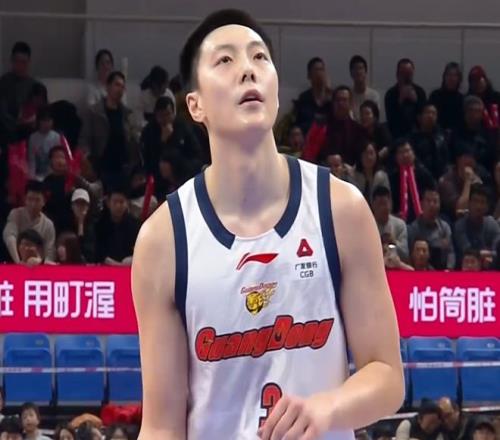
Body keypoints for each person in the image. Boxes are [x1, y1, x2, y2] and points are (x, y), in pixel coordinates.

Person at [132, 9, 404, 440]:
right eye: (225, 60)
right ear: (195, 105)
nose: (248, 70)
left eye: (259, 57)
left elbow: (387, 375)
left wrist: (328, 407)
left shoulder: (341, 209)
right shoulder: (163, 239)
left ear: (276, 92)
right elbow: (162, 426)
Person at [79, 71, 141, 191]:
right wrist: (86, 159)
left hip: (122, 167)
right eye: (117, 85)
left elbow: (133, 140)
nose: (120, 89)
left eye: (123, 87)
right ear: (107, 87)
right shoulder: (94, 112)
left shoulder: (127, 114)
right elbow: (84, 138)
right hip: (101, 166)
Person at [140, 96, 202, 181]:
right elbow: (149, 159)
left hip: (183, 169)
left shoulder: (182, 126)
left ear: (173, 113)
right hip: (159, 174)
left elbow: (196, 153)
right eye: (161, 116)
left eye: (167, 114)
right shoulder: (149, 131)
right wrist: (162, 141)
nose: (165, 119)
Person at [3, 180, 56, 263]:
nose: (33, 204)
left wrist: (39, 263)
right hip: (15, 262)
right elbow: (10, 237)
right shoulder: (16, 214)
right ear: (25, 199)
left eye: (37, 200)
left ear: (44, 202)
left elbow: (49, 253)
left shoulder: (48, 225)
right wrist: (18, 262)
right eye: (30, 199)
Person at [438, 142, 491, 221]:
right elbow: (460, 210)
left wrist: (479, 188)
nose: (470, 161)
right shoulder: (447, 180)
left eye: (472, 158)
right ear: (458, 159)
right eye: (466, 157)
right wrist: (467, 182)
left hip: (474, 220)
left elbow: (485, 207)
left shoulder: (479, 175)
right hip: (452, 220)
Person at [388, 139, 436, 223]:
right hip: (398, 220)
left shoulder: (424, 174)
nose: (405, 155)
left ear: (413, 153)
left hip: (424, 218)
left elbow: (434, 195)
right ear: (396, 157)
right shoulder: (391, 178)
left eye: (407, 151)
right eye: (401, 152)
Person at [407, 188, 455, 270]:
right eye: (428, 201)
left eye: (435, 201)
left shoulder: (445, 227)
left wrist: (449, 269)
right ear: (422, 204)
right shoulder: (413, 228)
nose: (432, 205)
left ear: (439, 205)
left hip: (441, 270)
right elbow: (410, 254)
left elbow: (450, 252)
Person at [454, 184, 500, 267]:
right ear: (469, 203)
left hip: (489, 264)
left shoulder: (492, 224)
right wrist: (486, 253)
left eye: (482, 202)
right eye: (475, 201)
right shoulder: (460, 225)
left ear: (487, 207)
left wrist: (489, 256)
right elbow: (467, 251)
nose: (478, 206)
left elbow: (497, 250)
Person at [319, 85, 367, 165]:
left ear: (351, 103)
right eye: (338, 100)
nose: (340, 103)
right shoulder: (321, 127)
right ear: (333, 103)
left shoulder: (358, 130)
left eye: (344, 100)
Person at [0, 41, 36, 143]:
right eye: (17, 62)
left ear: (29, 62)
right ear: (12, 61)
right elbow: (2, 111)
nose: (20, 66)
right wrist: (17, 123)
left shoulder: (34, 85)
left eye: (23, 62)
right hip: (6, 129)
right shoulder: (3, 82)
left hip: (29, 129)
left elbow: (41, 110)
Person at [96, 185, 140, 266]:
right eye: (115, 202)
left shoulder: (134, 224)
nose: (118, 206)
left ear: (127, 203)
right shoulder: (100, 224)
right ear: (108, 203)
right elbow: (98, 252)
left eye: (121, 202)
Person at [451, 95, 497, 171]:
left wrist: (476, 167)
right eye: (470, 110)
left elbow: (492, 166)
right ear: (465, 112)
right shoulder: (454, 135)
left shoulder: (488, 137)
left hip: (483, 176)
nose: (474, 114)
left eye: (477, 111)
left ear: (482, 114)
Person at [385, 58, 427, 138]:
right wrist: (400, 101)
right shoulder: (390, 94)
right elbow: (391, 120)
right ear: (397, 75)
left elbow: (424, 119)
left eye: (409, 74)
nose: (407, 77)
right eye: (403, 74)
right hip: (397, 135)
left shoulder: (420, 92)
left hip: (417, 135)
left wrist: (416, 101)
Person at [409, 102, 450, 180]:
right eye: (427, 112)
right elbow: (416, 163)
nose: (431, 116)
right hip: (422, 178)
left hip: (442, 178)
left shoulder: (443, 136)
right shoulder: (412, 139)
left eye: (434, 113)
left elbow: (446, 160)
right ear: (419, 117)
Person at [295, 57, 332, 135]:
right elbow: (299, 123)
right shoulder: (304, 98)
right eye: (316, 70)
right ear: (309, 75)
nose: (319, 74)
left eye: (321, 70)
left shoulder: (333, 98)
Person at [372, 186, 409, 259]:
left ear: (390, 204)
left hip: (395, 263)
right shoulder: (367, 225)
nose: (382, 208)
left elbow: (405, 253)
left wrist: (393, 241)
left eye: (385, 204)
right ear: (373, 205)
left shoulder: (400, 225)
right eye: (380, 204)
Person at [28, 106, 61, 180]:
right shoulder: (33, 138)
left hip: (52, 174)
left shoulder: (56, 137)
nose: (47, 124)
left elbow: (58, 159)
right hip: (38, 174)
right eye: (44, 121)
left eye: (49, 120)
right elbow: (32, 159)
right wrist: (31, 177)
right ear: (39, 122)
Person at [429, 63, 464, 132]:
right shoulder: (435, 95)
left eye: (455, 75)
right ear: (444, 77)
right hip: (436, 133)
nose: (451, 78)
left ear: (459, 79)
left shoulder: (462, 99)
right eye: (449, 75)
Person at [349, 55, 381, 122]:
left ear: (366, 72)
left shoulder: (374, 95)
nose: (358, 72)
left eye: (360, 68)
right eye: (355, 68)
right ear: (351, 73)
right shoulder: (348, 95)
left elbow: (375, 119)